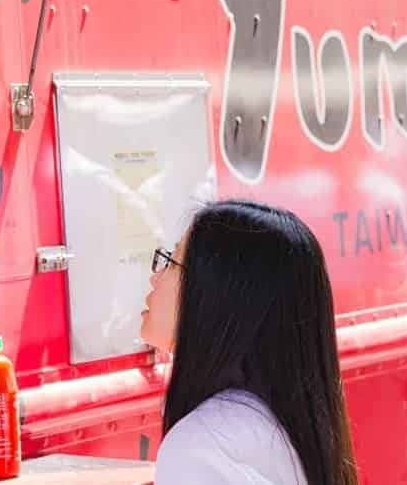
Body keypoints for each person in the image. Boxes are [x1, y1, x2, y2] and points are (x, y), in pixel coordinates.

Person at [141, 200, 358, 485]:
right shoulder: (279, 423)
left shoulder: (201, 445)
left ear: (219, 297)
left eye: (172, 262)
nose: (155, 276)